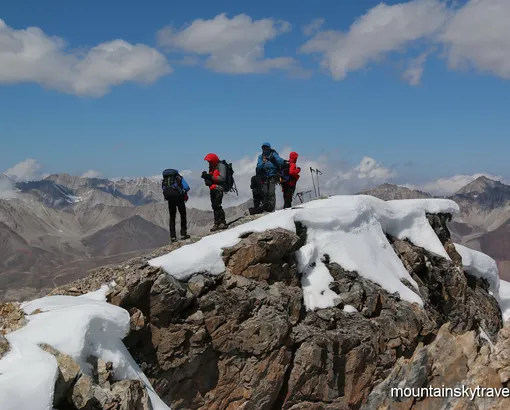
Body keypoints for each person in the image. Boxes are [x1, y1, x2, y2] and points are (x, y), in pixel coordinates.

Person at [161, 169, 190, 243]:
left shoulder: (165, 180)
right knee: (183, 215)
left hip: (170, 200)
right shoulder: (179, 177)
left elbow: (163, 188)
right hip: (179, 198)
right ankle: (183, 234)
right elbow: (186, 187)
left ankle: (173, 237)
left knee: (172, 217)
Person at [202, 153, 228, 231]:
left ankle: (222, 222)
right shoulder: (212, 166)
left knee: (217, 205)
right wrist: (206, 178)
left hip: (219, 189)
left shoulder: (221, 166)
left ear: (213, 160)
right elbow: (212, 178)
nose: (209, 163)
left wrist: (210, 177)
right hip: (212, 189)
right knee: (214, 206)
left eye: (209, 161)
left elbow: (222, 178)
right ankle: (217, 223)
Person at [256, 142, 285, 212]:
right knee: (265, 193)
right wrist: (263, 162)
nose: (264, 149)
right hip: (264, 176)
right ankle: (266, 207)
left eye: (265, 147)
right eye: (263, 148)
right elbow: (258, 166)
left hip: (272, 175)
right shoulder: (261, 157)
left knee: (271, 192)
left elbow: (279, 160)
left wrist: (283, 161)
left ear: (269, 148)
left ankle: (271, 208)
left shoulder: (273, 154)